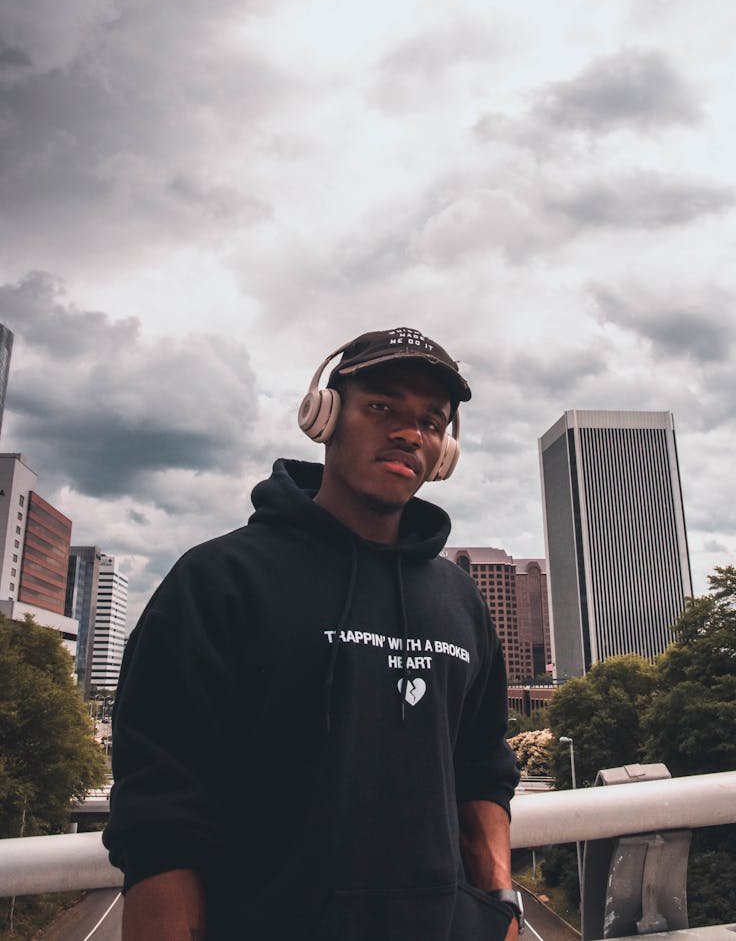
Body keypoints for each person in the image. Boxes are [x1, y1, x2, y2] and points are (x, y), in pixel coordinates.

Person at [104, 327, 521, 940]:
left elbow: (482, 766)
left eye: (432, 422)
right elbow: (162, 811)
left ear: (445, 452)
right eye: (382, 407)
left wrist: (501, 908)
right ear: (324, 416)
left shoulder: (460, 597)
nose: (410, 433)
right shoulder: (218, 580)